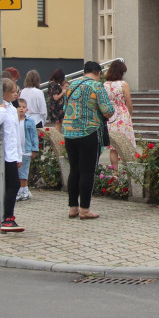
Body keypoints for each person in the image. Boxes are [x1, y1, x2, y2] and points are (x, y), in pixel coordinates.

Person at [63, 61, 114, 220]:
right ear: (98, 73)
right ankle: (85, 210)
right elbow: (107, 111)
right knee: (87, 171)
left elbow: (65, 108)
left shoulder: (71, 85)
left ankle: (73, 208)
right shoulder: (97, 86)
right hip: (88, 132)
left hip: (69, 132)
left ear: (84, 71)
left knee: (74, 170)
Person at [0, 78, 25, 232]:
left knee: (10, 184)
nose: (16, 94)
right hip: (0, 155)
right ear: (5, 93)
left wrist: (18, 156)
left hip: (10, 153)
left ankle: (3, 218)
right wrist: (1, 110)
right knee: (8, 185)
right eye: (13, 91)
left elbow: (14, 133)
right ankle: (5, 217)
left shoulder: (11, 108)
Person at [103, 60, 135, 170]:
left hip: (111, 115)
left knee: (113, 147)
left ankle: (115, 172)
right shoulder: (123, 84)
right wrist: (129, 113)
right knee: (125, 144)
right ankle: (127, 171)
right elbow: (128, 102)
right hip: (122, 114)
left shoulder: (105, 85)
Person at [17, 98, 37, 202]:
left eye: (23, 107)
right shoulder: (14, 120)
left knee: (24, 172)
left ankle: (24, 190)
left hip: (26, 150)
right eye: (19, 107)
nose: (21, 109)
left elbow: (34, 136)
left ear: (27, 109)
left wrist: (34, 149)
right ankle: (21, 190)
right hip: (16, 151)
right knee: (17, 171)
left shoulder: (30, 121)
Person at [46, 68, 67, 132]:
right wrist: (63, 92)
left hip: (55, 107)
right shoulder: (54, 85)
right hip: (57, 108)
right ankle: (56, 139)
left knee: (59, 125)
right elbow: (56, 97)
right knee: (58, 125)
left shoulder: (51, 84)